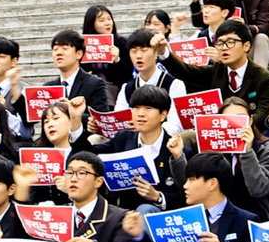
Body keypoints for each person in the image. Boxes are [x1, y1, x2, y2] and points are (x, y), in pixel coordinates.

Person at [77, 85, 188, 214]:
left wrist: (157, 197)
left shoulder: (177, 149)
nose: (140, 114)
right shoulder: (123, 139)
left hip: (159, 219)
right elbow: (88, 155)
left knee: (144, 209)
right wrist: (76, 122)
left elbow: (187, 197)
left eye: (148, 108)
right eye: (136, 108)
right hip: (121, 215)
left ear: (163, 115)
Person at [153, 20, 269, 128]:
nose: (223, 48)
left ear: (246, 46)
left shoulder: (265, 78)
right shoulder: (216, 70)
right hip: (217, 133)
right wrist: (164, 53)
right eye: (219, 43)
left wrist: (235, 124)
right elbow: (186, 72)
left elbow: (262, 113)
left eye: (230, 42)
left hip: (250, 134)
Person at [216, 97, 269, 221]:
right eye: (229, 119)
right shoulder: (218, 152)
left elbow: (259, 189)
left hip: (261, 216)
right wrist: (178, 158)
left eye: (240, 118)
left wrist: (247, 151)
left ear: (251, 120)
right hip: (228, 218)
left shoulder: (267, 148)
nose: (235, 123)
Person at [33, 29, 111, 134]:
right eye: (55, 49)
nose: (59, 53)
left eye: (65, 48)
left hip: (84, 140)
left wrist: (70, 112)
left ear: (79, 54)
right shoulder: (48, 87)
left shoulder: (94, 83)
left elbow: (101, 120)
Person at [60, 151, 138, 242]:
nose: (73, 179)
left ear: (98, 181)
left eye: (82, 173)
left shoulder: (118, 218)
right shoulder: (58, 214)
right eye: (69, 173)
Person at [182, 152, 258, 242]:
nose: (185, 186)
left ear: (212, 184)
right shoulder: (181, 219)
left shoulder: (246, 221)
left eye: (191, 180)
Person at [114, 28, 187, 135]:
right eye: (134, 51)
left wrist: (147, 129)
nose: (138, 56)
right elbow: (120, 121)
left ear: (156, 53)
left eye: (144, 50)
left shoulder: (174, 85)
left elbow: (176, 125)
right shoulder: (127, 88)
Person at [16, 102, 76, 206]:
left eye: (56, 118)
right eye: (46, 122)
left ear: (71, 121)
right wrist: (23, 186)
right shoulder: (35, 156)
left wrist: (71, 189)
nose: (50, 124)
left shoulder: (81, 153)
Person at [0, 36, 33, 143]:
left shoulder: (25, 90)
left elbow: (26, 132)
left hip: (14, 150)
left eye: (1, 57)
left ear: (13, 61)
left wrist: (3, 112)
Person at [81, 5, 133, 91]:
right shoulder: (82, 45)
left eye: (109, 19)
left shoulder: (122, 43)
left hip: (116, 90)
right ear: (91, 23)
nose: (107, 23)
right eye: (101, 20)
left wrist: (117, 60)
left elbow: (128, 74)